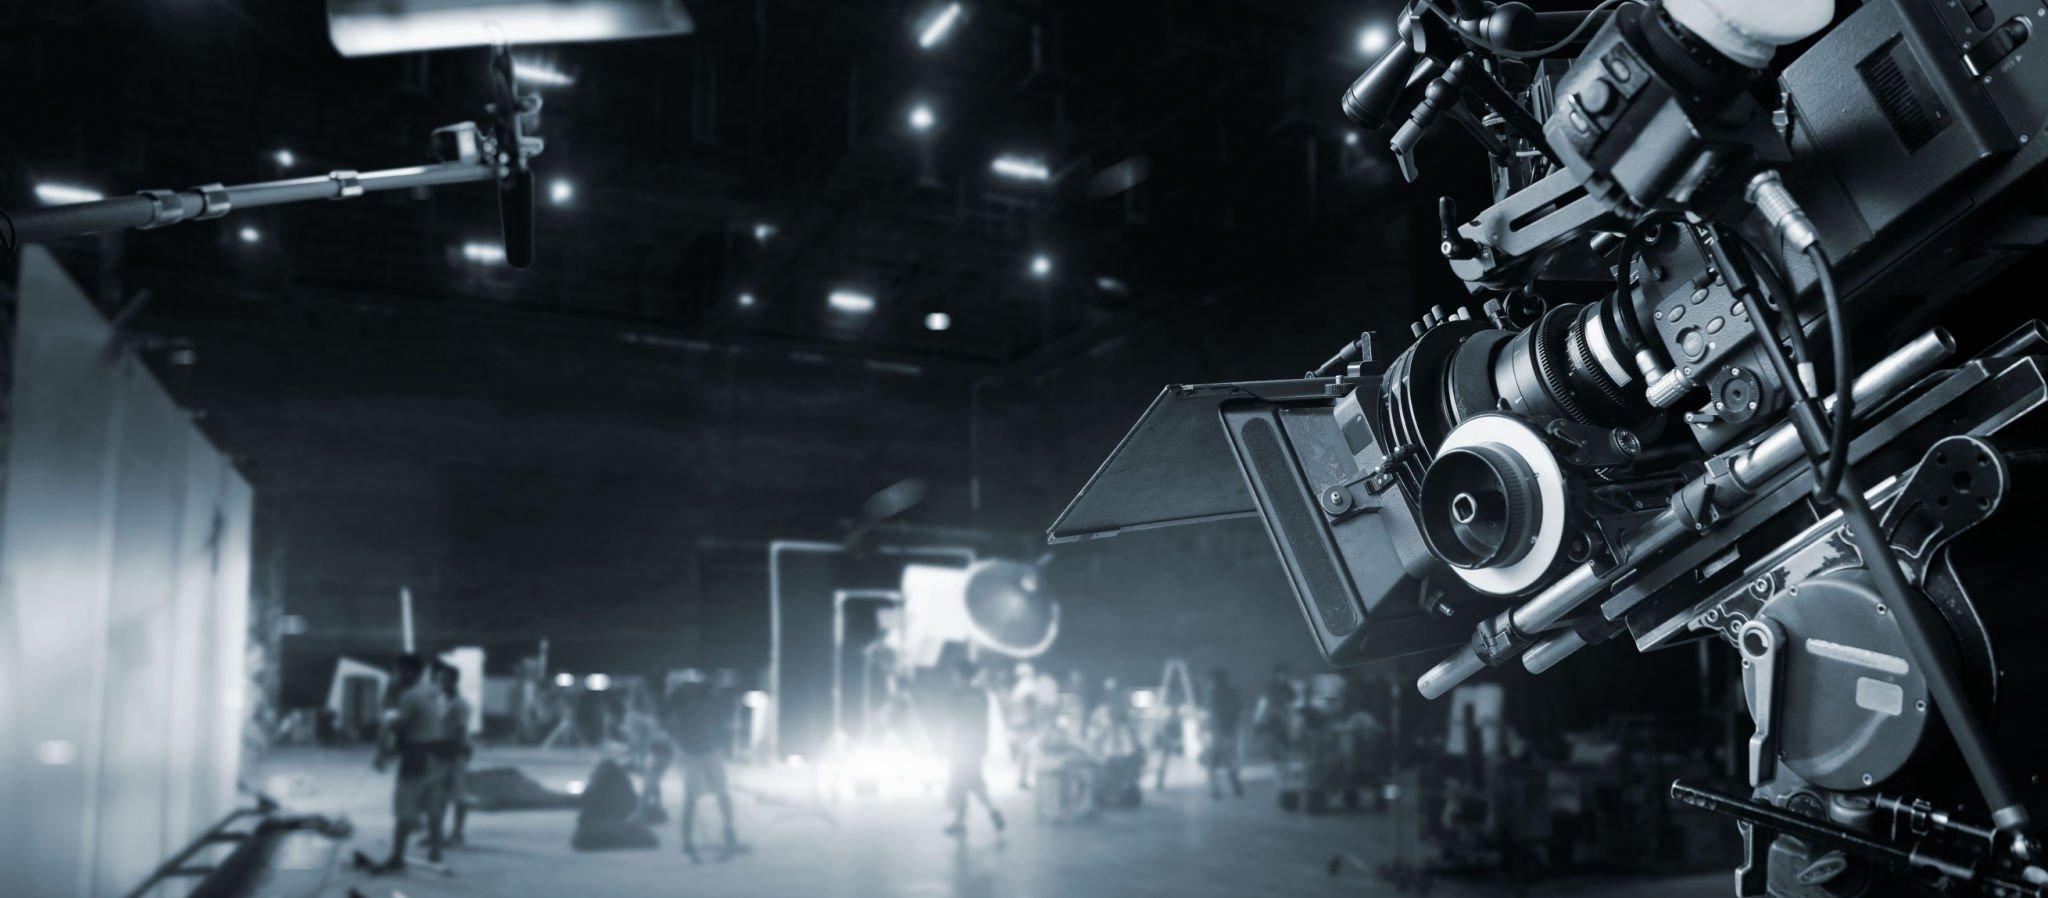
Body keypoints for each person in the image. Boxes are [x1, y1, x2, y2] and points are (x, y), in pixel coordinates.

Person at [369, 653, 450, 873]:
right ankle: (436, 851)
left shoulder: (410, 696)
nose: (395, 676)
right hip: (438, 755)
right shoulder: (434, 691)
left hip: (417, 756)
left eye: (398, 671)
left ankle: (397, 857)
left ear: (410, 671)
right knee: (433, 807)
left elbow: (397, 727)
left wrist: (381, 753)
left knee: (405, 808)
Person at [664, 672, 740, 861]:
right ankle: (688, 843)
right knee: (693, 797)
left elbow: (720, 721)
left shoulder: (709, 696)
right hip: (693, 751)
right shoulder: (685, 694)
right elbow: (665, 717)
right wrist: (677, 738)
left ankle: (728, 832)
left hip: (708, 749)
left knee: (719, 794)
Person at [942, 658, 1005, 838]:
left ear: (959, 675)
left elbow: (952, 722)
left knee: (966, 782)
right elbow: (985, 721)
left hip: (961, 744)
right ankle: (960, 821)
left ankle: (990, 812)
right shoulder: (981, 695)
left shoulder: (956, 695)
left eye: (955, 673)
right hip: (977, 744)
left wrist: (947, 743)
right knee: (967, 781)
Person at [432, 661, 474, 847]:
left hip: (456, 750)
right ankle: (437, 833)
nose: (440, 683)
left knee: (458, 794)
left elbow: (461, 730)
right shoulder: (440, 701)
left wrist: (454, 751)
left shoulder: (461, 704)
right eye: (439, 679)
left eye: (444, 680)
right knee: (439, 794)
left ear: (453, 681)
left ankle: (457, 832)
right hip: (441, 749)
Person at [622, 680, 675, 822]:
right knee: (652, 781)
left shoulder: (639, 715)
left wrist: (637, 757)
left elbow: (641, 740)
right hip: (661, 748)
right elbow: (641, 739)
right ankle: (653, 808)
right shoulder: (644, 714)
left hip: (661, 748)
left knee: (650, 781)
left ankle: (641, 812)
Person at [1203, 667, 1245, 800]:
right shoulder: (1233, 693)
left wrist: (1208, 730)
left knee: (1211, 761)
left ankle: (1215, 790)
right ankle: (1235, 782)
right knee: (1229, 759)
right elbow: (1239, 712)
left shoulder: (1213, 694)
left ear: (1214, 680)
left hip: (1218, 733)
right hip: (1231, 732)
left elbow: (1212, 714)